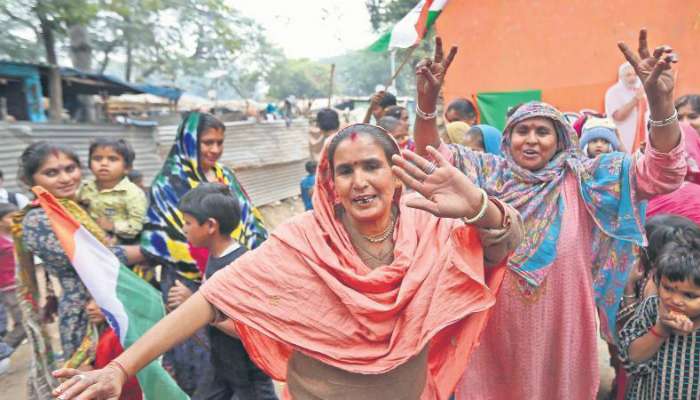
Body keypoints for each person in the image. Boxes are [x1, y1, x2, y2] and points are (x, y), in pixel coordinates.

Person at [52, 123, 524, 400]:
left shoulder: (429, 225)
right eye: (346, 170)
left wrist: (482, 207)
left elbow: (502, 247)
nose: (360, 181)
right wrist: (121, 368)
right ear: (330, 182)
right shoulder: (304, 239)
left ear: (395, 176)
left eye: (372, 166)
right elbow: (212, 301)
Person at [412, 32, 686, 399]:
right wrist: (426, 104)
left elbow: (662, 173)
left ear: (560, 140)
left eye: (543, 131)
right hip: (490, 325)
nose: (531, 139)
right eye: (522, 131)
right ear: (507, 140)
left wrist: (660, 103)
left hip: (562, 326)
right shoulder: (485, 174)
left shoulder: (588, 179)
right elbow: (431, 156)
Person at [140, 112, 267, 394]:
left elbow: (249, 221)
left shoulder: (225, 176)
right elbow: (162, 237)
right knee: (197, 363)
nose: (214, 149)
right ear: (188, 143)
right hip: (184, 283)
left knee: (237, 358)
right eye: (207, 142)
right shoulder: (168, 182)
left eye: (219, 142)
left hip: (233, 274)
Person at [13, 141, 142, 400]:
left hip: (114, 300)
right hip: (85, 311)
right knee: (93, 381)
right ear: (30, 180)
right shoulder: (38, 220)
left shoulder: (81, 204)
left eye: (70, 169)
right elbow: (99, 259)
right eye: (52, 173)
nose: (65, 178)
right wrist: (151, 251)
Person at [167, 183, 278, 400]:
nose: (184, 229)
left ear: (210, 226)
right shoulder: (214, 258)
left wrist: (197, 308)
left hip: (249, 373)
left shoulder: (241, 265)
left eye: (188, 222)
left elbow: (251, 329)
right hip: (221, 366)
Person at [618, 221, 700, 399]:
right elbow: (631, 360)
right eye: (668, 288)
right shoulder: (651, 309)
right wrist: (660, 329)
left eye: (690, 296)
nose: (676, 300)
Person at [63, 298, 142, 400]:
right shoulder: (97, 334)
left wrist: (91, 373)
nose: (90, 307)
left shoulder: (115, 337)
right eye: (88, 301)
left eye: (97, 300)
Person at [78, 138, 147, 245]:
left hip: (120, 244)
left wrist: (113, 226)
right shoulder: (85, 187)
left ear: (127, 168)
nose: (104, 163)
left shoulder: (132, 194)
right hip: (88, 240)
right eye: (97, 158)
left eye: (113, 159)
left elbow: (137, 226)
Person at [605, 62, 649, 153]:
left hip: (643, 137)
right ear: (621, 77)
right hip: (624, 138)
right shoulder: (613, 92)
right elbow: (618, 116)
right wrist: (636, 99)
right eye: (628, 75)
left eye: (635, 74)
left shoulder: (640, 91)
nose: (632, 78)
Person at [0, 203, 25, 349]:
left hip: (20, 284)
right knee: (23, 323)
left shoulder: (15, 234)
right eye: (11, 217)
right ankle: (4, 351)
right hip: (8, 286)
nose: (16, 220)